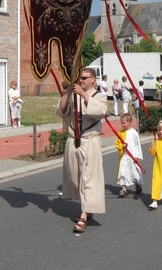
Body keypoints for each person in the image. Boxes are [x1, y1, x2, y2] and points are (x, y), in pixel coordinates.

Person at [56, 68, 108, 233]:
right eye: (80, 78)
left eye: (85, 78)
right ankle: (87, 207)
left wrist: (84, 95)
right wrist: (67, 93)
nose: (81, 81)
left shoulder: (100, 96)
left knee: (89, 179)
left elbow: (100, 112)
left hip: (89, 141)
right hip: (73, 141)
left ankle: (84, 215)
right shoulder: (74, 94)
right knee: (75, 178)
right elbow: (61, 111)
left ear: (93, 79)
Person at [115, 113, 143, 198]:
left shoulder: (134, 133)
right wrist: (121, 147)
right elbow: (117, 143)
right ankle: (123, 189)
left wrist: (137, 156)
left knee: (134, 172)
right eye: (121, 123)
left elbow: (137, 145)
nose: (122, 125)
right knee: (123, 172)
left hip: (132, 156)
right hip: (124, 156)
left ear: (129, 122)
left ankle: (137, 184)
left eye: (124, 123)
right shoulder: (120, 133)